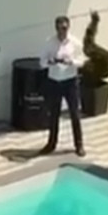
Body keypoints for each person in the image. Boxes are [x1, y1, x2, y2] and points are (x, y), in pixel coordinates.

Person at [39, 15, 86, 156]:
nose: (63, 31)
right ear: (56, 28)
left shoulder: (74, 42)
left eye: (65, 28)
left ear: (68, 27)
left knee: (74, 113)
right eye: (60, 28)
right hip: (54, 81)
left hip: (70, 82)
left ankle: (79, 145)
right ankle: (51, 144)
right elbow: (42, 62)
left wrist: (71, 62)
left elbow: (82, 61)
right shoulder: (49, 43)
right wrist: (51, 62)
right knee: (54, 114)